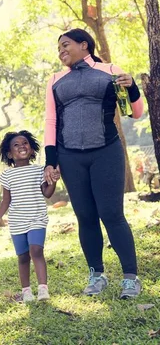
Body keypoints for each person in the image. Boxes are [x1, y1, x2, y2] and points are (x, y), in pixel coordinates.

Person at [44, 28, 145, 298]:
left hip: (106, 152)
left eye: (66, 45)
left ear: (84, 45)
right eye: (58, 48)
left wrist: (133, 86)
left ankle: (130, 277)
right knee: (85, 216)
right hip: (69, 156)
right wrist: (50, 160)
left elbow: (135, 112)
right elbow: (51, 121)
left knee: (111, 214)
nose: (61, 51)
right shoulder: (55, 80)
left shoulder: (110, 71)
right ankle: (96, 275)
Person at [0, 131, 57, 302]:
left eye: (25, 143)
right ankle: (26, 291)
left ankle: (43, 289)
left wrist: (54, 180)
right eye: (16, 145)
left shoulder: (39, 170)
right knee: (23, 256)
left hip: (37, 218)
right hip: (17, 221)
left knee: (36, 250)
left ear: (32, 150)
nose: (22, 146)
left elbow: (47, 193)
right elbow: (6, 200)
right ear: (9, 154)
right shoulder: (7, 175)